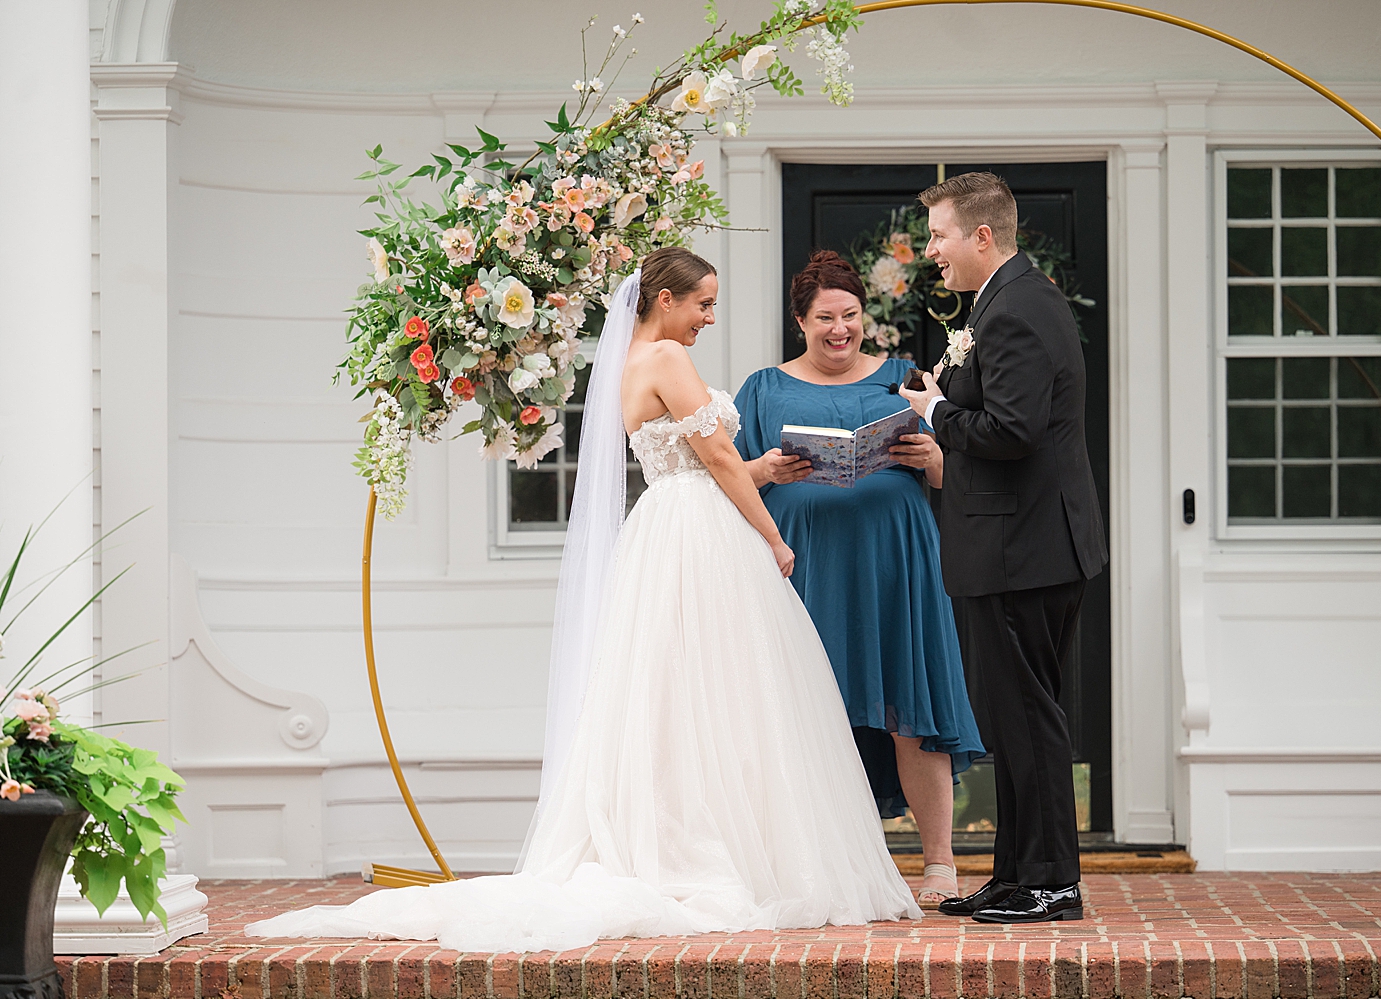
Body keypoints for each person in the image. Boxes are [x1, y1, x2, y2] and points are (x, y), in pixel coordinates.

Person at [245, 247, 919, 952]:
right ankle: (735, 844)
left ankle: (693, 831)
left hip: (666, 523)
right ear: (665, 300)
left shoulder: (627, 362)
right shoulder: (665, 359)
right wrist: (774, 535)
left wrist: (759, 469)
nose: (708, 317)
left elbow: (691, 461)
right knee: (729, 687)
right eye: (702, 304)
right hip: (699, 534)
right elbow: (715, 460)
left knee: (676, 693)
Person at [733, 250, 986, 910]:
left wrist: (934, 455)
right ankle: (815, 863)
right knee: (805, 711)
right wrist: (766, 468)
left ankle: (939, 863)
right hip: (804, 563)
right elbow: (724, 479)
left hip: (895, 561)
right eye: (825, 318)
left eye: (850, 315)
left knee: (913, 704)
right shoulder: (761, 388)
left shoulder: (905, 377)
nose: (839, 329)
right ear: (800, 320)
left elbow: (953, 478)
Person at [899, 172, 1108, 924]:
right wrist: (945, 396)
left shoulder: (1016, 309)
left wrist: (936, 409)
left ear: (981, 235)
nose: (932, 252)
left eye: (940, 236)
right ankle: (1018, 874)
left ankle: (1053, 880)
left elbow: (1012, 432)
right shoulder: (1012, 300)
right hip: (1028, 544)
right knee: (1018, 715)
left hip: (1024, 548)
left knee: (1028, 716)